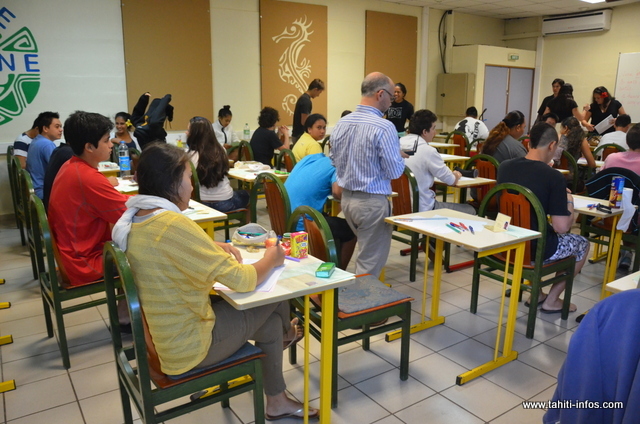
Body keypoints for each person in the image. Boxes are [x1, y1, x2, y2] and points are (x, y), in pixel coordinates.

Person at [111, 143, 317, 421]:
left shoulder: (137, 218)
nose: (192, 187)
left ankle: (277, 399)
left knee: (267, 325)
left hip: (165, 338)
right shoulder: (172, 224)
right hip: (189, 347)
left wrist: (210, 247)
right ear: (172, 182)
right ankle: (287, 334)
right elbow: (243, 280)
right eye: (187, 178)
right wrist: (272, 256)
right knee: (278, 290)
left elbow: (170, 251)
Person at [498, 122, 590, 313]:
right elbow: (562, 227)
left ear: (528, 142)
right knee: (582, 244)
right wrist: (568, 200)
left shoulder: (505, 167)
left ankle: (537, 293)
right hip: (536, 250)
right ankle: (553, 300)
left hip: (506, 243)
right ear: (551, 146)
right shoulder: (553, 176)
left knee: (532, 229)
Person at [330, 72, 405, 277]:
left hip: (347, 201)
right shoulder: (384, 126)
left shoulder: (342, 123)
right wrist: (397, 155)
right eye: (391, 96)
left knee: (364, 253)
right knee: (369, 264)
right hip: (372, 203)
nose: (392, 101)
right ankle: (360, 305)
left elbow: (333, 160)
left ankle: (355, 299)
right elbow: (394, 171)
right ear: (380, 94)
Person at [48, 111, 129, 286]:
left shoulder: (71, 166)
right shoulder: (87, 178)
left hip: (74, 253)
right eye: (106, 140)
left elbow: (114, 201)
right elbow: (126, 215)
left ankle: (129, 313)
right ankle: (134, 313)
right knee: (147, 259)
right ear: (89, 147)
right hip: (86, 262)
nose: (111, 145)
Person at [284, 152, 356, 269]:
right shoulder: (338, 164)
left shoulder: (310, 158)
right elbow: (337, 192)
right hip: (304, 223)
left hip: (288, 218)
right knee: (351, 230)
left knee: (331, 219)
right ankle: (340, 274)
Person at [401, 109, 476, 215]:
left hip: (398, 207)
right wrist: (456, 175)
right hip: (422, 210)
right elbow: (450, 181)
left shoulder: (397, 144)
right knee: (470, 210)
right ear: (425, 132)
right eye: (433, 128)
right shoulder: (428, 151)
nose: (435, 133)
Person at [186, 116, 249, 212]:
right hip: (224, 202)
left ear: (195, 135)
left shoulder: (189, 156)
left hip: (200, 203)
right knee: (247, 194)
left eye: (188, 131)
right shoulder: (220, 150)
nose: (186, 133)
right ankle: (246, 223)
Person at [26, 111, 63, 199]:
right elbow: (59, 171)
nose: (61, 130)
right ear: (45, 128)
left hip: (34, 190)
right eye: (57, 127)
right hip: (43, 192)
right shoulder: (47, 145)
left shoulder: (36, 141)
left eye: (61, 127)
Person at [292, 78, 325, 143]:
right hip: (300, 136)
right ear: (315, 90)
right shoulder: (306, 101)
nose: (318, 95)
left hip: (297, 134)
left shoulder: (303, 98)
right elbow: (304, 122)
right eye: (319, 92)